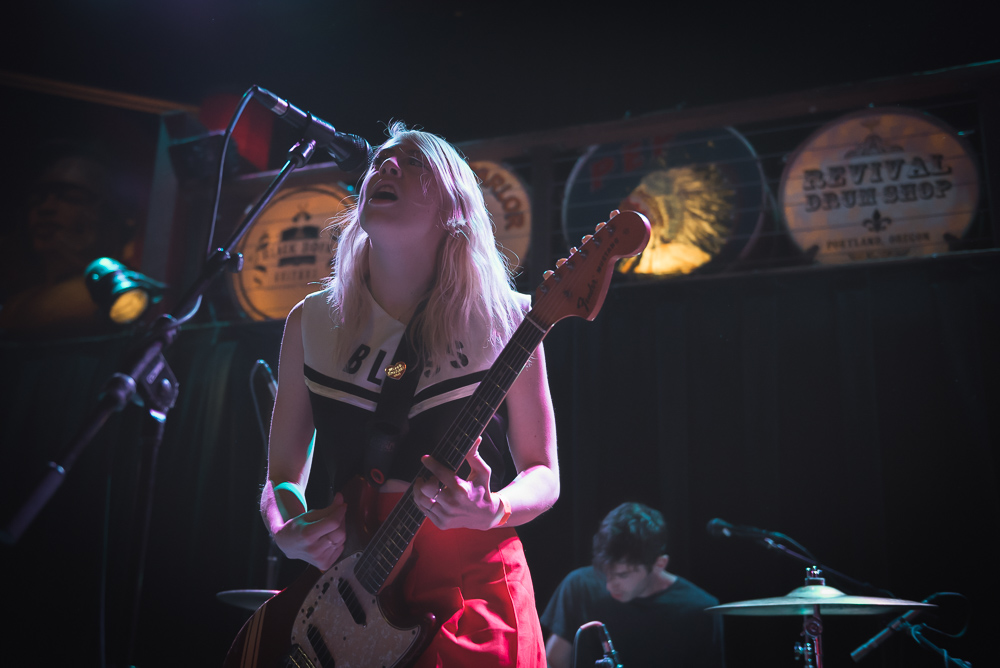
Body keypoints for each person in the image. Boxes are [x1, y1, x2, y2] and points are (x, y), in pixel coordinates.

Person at [260, 122, 559, 666]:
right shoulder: (311, 321)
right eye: (380, 162)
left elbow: (544, 473)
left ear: (455, 207)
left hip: (472, 598)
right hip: (352, 604)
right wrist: (287, 528)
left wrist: (495, 508)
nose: (386, 166)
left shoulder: (509, 319)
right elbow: (281, 473)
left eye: (413, 162)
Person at [541, 502, 724, 668]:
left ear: (659, 564)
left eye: (622, 574)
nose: (610, 586)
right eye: (605, 572)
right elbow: (554, 660)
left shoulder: (700, 609)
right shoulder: (579, 585)